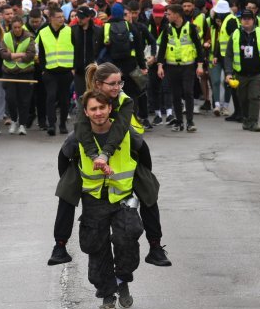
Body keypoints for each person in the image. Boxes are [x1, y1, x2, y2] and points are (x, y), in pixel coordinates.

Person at [49, 62, 171, 267]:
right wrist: (88, 160)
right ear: (98, 85)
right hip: (89, 141)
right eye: (112, 84)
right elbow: (80, 129)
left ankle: (155, 247)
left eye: (119, 83)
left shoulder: (124, 100)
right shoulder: (86, 100)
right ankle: (59, 246)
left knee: (148, 187)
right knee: (66, 188)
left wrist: (110, 158)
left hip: (121, 138)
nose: (117, 88)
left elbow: (120, 130)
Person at [57, 90, 146, 309]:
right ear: (86, 112)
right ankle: (107, 294)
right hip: (94, 199)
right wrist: (71, 183)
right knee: (95, 247)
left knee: (127, 240)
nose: (98, 113)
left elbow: (144, 154)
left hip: (122, 197)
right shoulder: (78, 136)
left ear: (109, 109)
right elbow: (63, 158)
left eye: (102, 108)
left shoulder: (125, 132)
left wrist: (143, 185)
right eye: (93, 109)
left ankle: (121, 280)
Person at [224, 9, 260, 132]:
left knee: (254, 97)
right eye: (244, 18)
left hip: (257, 73)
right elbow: (228, 55)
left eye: (249, 18)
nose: (246, 21)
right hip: (240, 74)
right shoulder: (235, 34)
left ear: (253, 20)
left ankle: (254, 122)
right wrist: (228, 73)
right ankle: (247, 120)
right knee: (243, 99)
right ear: (240, 20)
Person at [155, 4, 205, 132]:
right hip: (171, 67)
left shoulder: (191, 28)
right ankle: (179, 121)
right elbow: (162, 49)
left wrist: (200, 65)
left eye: (169, 14)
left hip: (187, 66)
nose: (167, 16)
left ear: (177, 15)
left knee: (188, 92)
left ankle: (190, 122)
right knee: (176, 95)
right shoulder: (167, 29)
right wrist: (160, 66)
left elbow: (199, 48)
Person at [36, 5, 74, 136]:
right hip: (50, 71)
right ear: (51, 18)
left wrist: (73, 68)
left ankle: (63, 124)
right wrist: (42, 69)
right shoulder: (43, 32)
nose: (61, 19)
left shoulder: (69, 31)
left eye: (62, 17)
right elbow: (40, 53)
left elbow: (76, 49)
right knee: (50, 97)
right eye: (58, 17)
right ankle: (51, 124)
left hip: (66, 71)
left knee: (64, 100)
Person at [0, 16, 36, 135]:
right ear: (11, 27)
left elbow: (30, 55)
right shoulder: (6, 36)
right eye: (14, 27)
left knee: (24, 100)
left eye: (19, 27)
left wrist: (12, 55)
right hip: (9, 72)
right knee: (11, 99)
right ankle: (14, 121)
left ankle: (22, 124)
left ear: (22, 26)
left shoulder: (29, 37)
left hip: (25, 73)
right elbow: (3, 54)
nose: (17, 30)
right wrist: (20, 55)